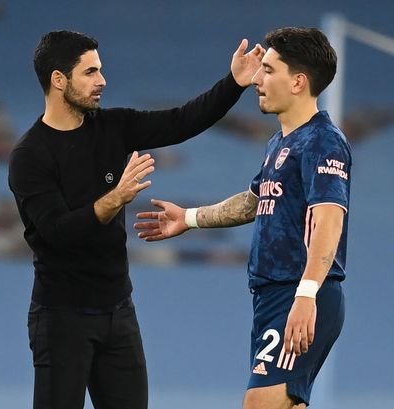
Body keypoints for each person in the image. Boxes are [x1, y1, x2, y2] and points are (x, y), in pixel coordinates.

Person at [8, 30, 264, 409]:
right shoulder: (30, 155)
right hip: (62, 318)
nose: (102, 80)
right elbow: (56, 233)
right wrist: (116, 198)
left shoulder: (114, 126)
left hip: (118, 312)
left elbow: (182, 121)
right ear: (58, 80)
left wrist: (234, 83)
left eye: (101, 70)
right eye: (90, 72)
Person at [135, 27, 351, 408]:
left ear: (298, 82)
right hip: (272, 297)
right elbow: (253, 202)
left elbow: (329, 221)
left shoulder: (323, 140)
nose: (257, 80)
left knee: (259, 403)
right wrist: (189, 218)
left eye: (268, 70)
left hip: (299, 293)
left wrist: (306, 295)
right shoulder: (280, 143)